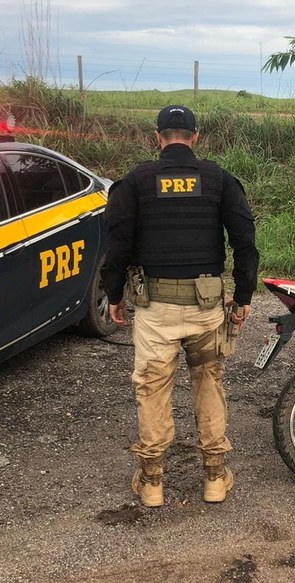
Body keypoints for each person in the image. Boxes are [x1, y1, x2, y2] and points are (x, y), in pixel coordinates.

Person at [101, 105, 259, 508]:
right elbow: (245, 242)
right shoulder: (219, 180)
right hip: (206, 309)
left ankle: (152, 482)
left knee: (152, 389)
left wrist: (114, 295)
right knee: (209, 384)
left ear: (158, 137)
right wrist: (242, 298)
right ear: (195, 137)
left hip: (155, 311)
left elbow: (116, 245)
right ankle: (214, 477)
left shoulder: (137, 181)